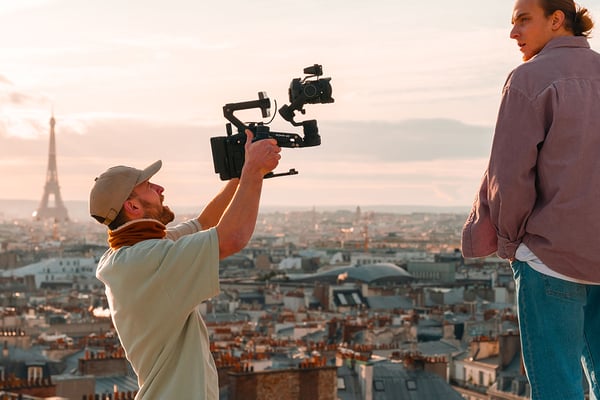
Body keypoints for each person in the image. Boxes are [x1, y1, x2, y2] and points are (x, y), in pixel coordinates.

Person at [461, 0, 600, 398]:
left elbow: (509, 177)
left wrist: (510, 244)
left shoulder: (529, 78)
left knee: (558, 387)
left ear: (557, 20)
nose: (513, 32)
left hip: (550, 258)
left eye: (524, 20)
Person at [89, 129, 281, 399]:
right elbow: (232, 238)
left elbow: (205, 223)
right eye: (149, 187)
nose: (160, 189)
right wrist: (253, 172)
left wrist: (240, 174)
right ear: (132, 206)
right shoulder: (149, 260)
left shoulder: (129, 254)